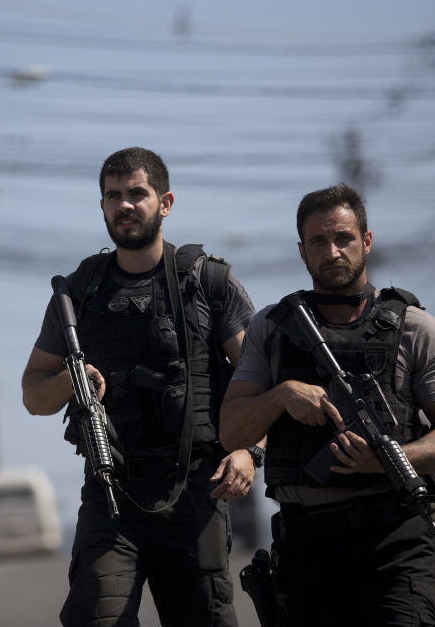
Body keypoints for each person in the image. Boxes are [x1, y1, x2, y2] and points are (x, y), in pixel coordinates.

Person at [21, 147, 260, 627]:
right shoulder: (80, 293)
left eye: (137, 193)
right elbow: (33, 394)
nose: (125, 205)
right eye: (113, 196)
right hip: (113, 497)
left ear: (165, 202)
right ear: (103, 207)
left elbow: (259, 378)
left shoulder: (207, 282)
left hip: (196, 490)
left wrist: (250, 451)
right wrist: (71, 379)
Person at [220, 183, 435, 626]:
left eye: (344, 239)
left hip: (394, 539)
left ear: (367, 242)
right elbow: (232, 430)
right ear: (302, 251)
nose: (333, 252)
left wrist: (390, 459)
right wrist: (281, 396)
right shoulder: (272, 329)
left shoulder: (415, 328)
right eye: (319, 241)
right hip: (307, 542)